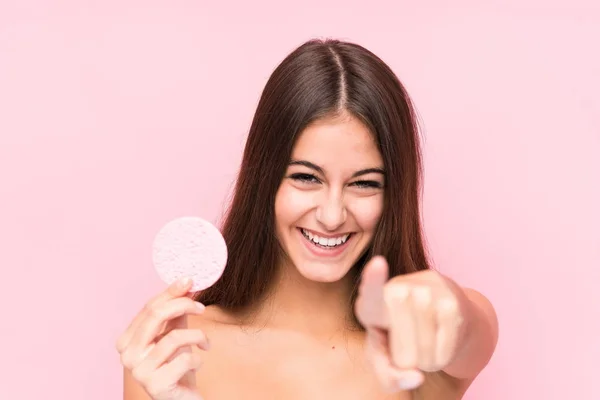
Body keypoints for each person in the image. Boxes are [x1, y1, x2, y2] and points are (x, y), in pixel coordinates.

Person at [116, 38, 499, 400]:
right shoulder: (173, 349)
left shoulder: (419, 347)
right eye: (306, 177)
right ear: (265, 179)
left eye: (364, 183)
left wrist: (452, 308)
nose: (332, 215)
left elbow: (468, 329)